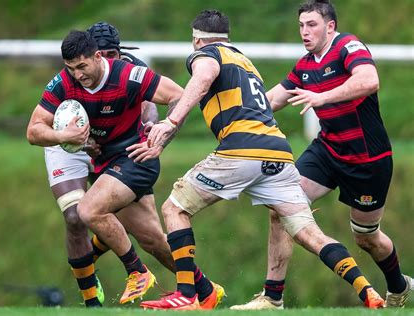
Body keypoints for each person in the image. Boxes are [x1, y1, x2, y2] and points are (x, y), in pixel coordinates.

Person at [131, 9, 385, 310]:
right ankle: (366, 290)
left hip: (240, 150)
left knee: (174, 207)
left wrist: (170, 122)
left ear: (196, 39)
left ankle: (188, 294)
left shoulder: (205, 54)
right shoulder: (244, 61)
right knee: (308, 233)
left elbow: (203, 78)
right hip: (278, 152)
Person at [230, 0, 414, 310]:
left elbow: (369, 81)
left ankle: (398, 284)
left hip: (366, 159)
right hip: (327, 149)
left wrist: (322, 97)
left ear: (330, 26)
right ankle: (272, 297)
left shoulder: (348, 46)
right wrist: (233, 116)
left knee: (366, 237)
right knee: (281, 205)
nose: (305, 31)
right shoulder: (306, 64)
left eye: (311, 24)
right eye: (301, 25)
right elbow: (273, 97)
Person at [27, 29, 224, 309]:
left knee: (88, 210)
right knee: (151, 238)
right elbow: (33, 130)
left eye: (82, 67)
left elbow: (178, 96)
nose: (78, 75)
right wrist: (64, 137)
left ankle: (137, 272)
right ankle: (205, 291)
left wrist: (161, 133)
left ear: (98, 57)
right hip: (106, 161)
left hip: (134, 159)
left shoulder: (130, 74)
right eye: (72, 69)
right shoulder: (63, 83)